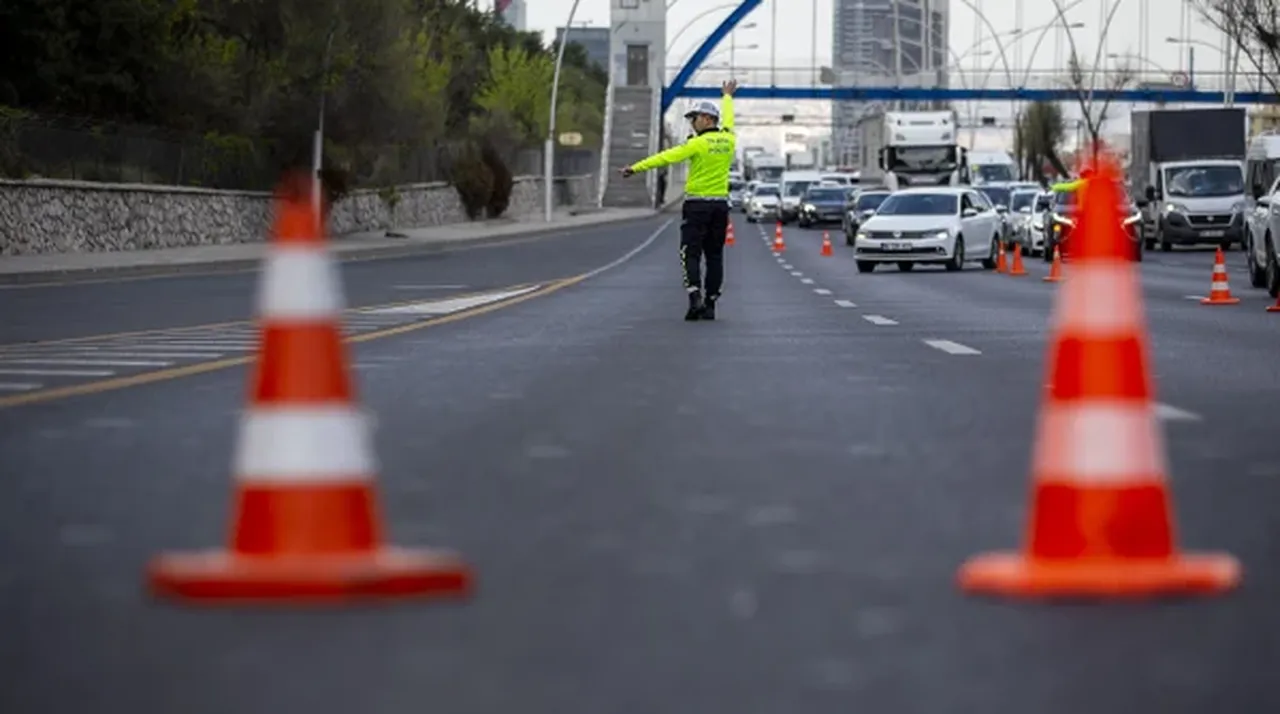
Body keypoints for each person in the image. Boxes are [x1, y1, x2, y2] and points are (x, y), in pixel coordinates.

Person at [620, 80, 738, 321]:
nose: (692, 123)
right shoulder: (729, 140)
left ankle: (694, 297)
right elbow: (729, 120)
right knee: (714, 255)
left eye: (694, 118)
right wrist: (727, 96)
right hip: (720, 206)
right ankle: (711, 303)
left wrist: (635, 168)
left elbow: (665, 158)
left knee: (690, 252)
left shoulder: (696, 144)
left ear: (706, 119)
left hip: (697, 206)